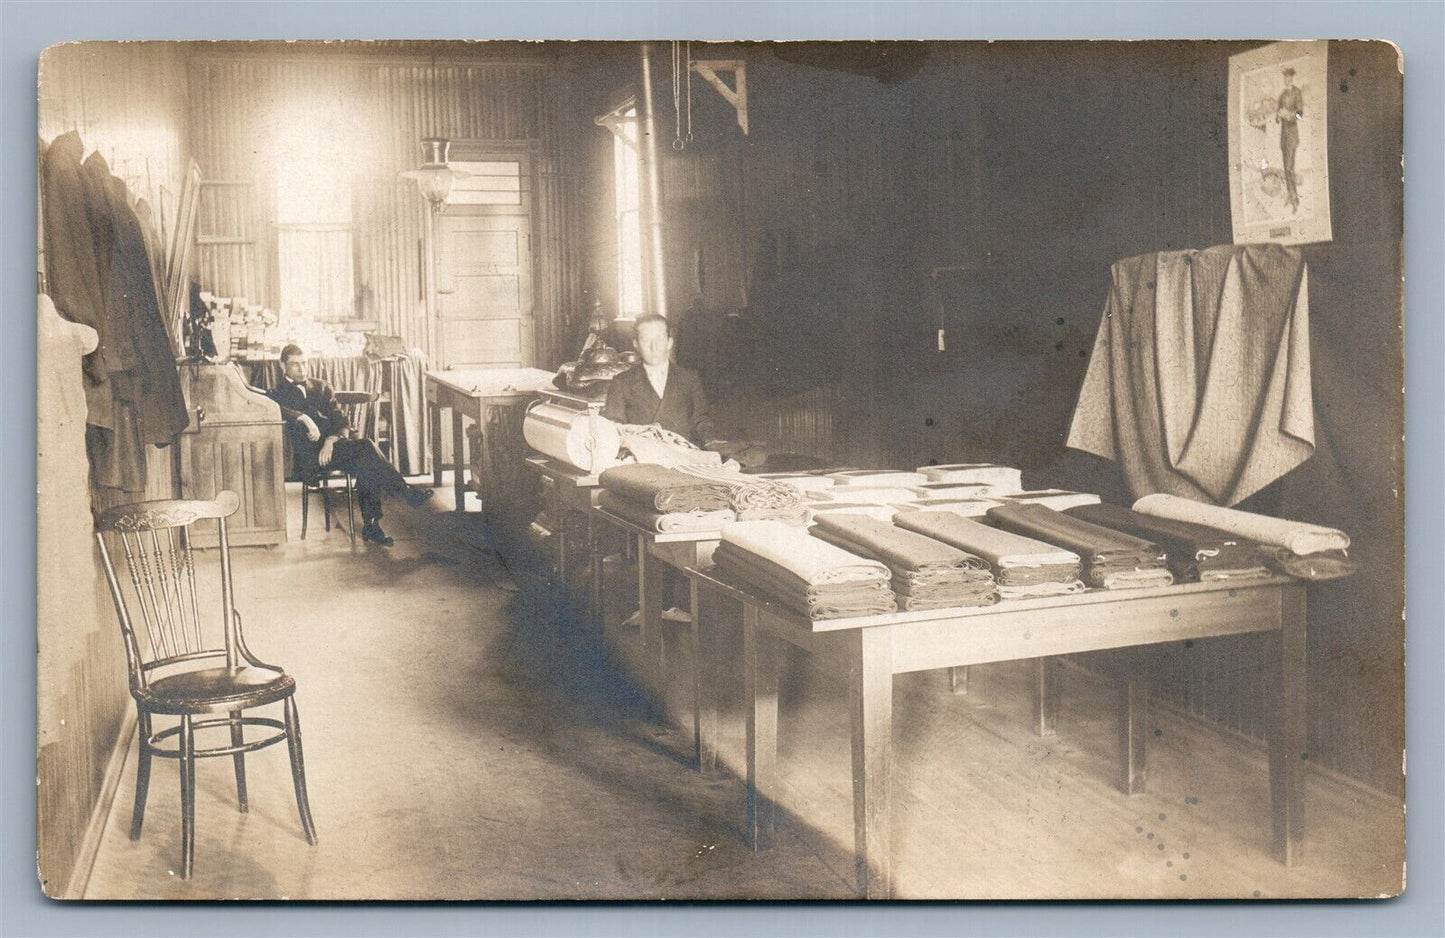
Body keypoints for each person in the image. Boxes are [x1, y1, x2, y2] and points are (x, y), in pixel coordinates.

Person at [267, 344, 432, 546]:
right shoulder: (276, 393)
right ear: (283, 365)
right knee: (366, 450)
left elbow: (342, 421)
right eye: (295, 365)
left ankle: (373, 524)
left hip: (335, 448)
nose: (302, 369)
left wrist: (331, 440)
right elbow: (278, 410)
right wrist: (303, 417)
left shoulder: (322, 387)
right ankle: (401, 496)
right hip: (310, 458)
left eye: (304, 363)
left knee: (366, 459)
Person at [603, 313, 717, 446]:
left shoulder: (689, 378)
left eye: (660, 340)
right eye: (646, 340)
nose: (654, 347)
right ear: (636, 344)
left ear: (669, 343)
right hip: (642, 459)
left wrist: (711, 441)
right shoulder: (621, 382)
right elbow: (614, 427)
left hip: (684, 456)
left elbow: (701, 420)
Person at [1276, 66, 1304, 212]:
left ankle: (1295, 200)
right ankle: (1289, 194)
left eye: (1289, 76)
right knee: (1286, 168)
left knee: (1289, 168)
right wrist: (1278, 115)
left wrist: (1289, 115)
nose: (1287, 79)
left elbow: (1300, 114)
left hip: (1292, 135)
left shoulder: (1297, 93)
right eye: (1285, 76)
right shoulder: (1282, 95)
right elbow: (1277, 113)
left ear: (1292, 77)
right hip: (1283, 137)